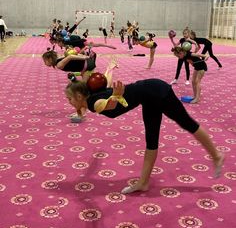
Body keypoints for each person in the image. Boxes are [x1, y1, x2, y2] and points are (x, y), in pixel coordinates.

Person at [65, 77, 224, 194]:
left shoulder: (94, 103)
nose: (68, 102)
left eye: (69, 98)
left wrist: (115, 97)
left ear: (80, 96)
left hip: (157, 90)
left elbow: (108, 105)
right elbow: (106, 84)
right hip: (148, 97)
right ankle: (143, 182)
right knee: (151, 140)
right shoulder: (92, 94)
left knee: (187, 123)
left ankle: (216, 155)